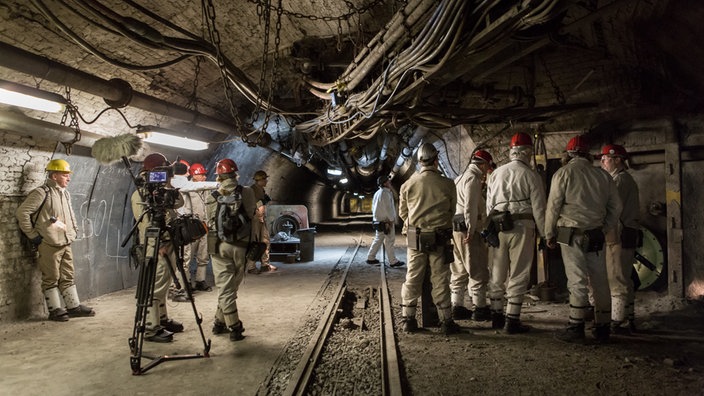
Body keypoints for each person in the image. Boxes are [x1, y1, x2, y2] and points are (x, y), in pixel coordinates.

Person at [545, 136, 621, 344]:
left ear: (568, 154)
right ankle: (603, 326)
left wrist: (549, 233)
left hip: (569, 233)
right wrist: (605, 227)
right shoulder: (603, 176)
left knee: (577, 280)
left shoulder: (563, 173)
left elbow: (553, 207)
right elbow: (616, 207)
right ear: (588, 155)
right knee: (599, 279)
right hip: (596, 233)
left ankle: (576, 327)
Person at [16, 159, 95, 322]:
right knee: (51, 276)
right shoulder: (41, 193)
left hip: (65, 241)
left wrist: (74, 231)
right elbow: (22, 213)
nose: (69, 178)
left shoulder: (64, 193)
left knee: (68, 275)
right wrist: (33, 235)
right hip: (49, 243)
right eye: (65, 175)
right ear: (54, 175)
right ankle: (55, 310)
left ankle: (73, 307)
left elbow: (69, 214)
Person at [485, 132, 546, 334]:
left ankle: (496, 315)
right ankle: (512, 320)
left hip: (499, 226)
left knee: (497, 271)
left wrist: (489, 228)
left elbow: (489, 204)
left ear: (511, 152)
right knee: (519, 272)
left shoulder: (496, 173)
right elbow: (539, 208)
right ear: (527, 152)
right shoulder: (531, 175)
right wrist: (545, 234)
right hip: (522, 227)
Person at [399, 142, 460, 335]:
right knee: (440, 278)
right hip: (439, 238)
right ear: (436, 160)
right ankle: (446, 321)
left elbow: (403, 213)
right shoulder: (448, 183)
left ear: (418, 162)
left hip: (415, 237)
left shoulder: (408, 184)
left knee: (413, 277)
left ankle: (408, 318)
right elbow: (452, 210)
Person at [130, 152, 185, 342]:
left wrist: (167, 185)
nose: (168, 174)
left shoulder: (162, 190)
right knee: (156, 285)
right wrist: (158, 243)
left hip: (167, 242)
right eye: (164, 169)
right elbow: (146, 224)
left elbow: (179, 202)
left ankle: (162, 319)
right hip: (156, 245)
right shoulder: (141, 194)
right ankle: (151, 328)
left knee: (164, 283)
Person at [205, 158, 258, 341]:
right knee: (231, 286)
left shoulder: (211, 196)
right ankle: (233, 326)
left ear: (219, 176)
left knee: (225, 287)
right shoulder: (247, 192)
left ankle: (221, 323)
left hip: (218, 246)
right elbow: (251, 215)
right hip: (241, 246)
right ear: (236, 174)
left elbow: (209, 220)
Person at [598, 144, 640, 334]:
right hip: (628, 232)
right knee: (625, 277)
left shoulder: (620, 181)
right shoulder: (623, 179)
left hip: (619, 233)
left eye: (605, 158)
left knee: (616, 277)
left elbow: (611, 207)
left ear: (617, 160)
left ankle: (617, 321)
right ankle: (628, 317)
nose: (602, 161)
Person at [450, 149, 493, 321]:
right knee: (477, 269)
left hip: (455, 228)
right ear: (482, 164)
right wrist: (471, 228)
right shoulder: (473, 179)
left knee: (459, 270)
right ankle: (480, 308)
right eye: (487, 167)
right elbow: (470, 207)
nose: (486, 171)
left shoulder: (458, 178)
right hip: (467, 230)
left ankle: (457, 306)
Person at [171, 160, 218, 294]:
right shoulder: (186, 186)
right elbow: (195, 187)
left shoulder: (205, 190)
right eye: (201, 174)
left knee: (203, 256)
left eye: (204, 174)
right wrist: (218, 184)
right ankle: (183, 285)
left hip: (203, 226)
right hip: (190, 227)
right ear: (193, 175)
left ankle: (200, 281)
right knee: (186, 257)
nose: (204, 177)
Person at [367, 175, 404, 267]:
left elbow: (373, 207)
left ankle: (370, 257)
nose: (390, 182)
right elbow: (388, 208)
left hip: (378, 221)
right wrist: (391, 220)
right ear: (384, 183)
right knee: (390, 240)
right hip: (386, 221)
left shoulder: (377, 193)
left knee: (378, 239)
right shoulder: (386, 193)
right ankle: (393, 261)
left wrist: (375, 219)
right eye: (388, 181)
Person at [246, 170, 277, 274]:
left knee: (265, 240)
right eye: (265, 179)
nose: (267, 181)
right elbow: (254, 205)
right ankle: (251, 267)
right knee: (254, 242)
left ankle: (265, 264)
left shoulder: (260, 190)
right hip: (255, 219)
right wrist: (259, 215)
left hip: (261, 218)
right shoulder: (253, 190)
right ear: (260, 180)